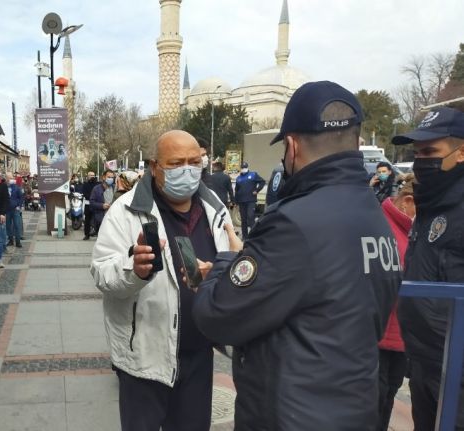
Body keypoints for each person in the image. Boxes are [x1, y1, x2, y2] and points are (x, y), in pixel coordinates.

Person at [193, 81, 401, 430]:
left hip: (292, 413)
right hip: (353, 406)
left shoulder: (293, 221)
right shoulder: (375, 214)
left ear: (291, 146)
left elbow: (218, 314)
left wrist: (225, 264)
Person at [91, 130, 231, 431]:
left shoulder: (215, 208)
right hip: (145, 360)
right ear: (155, 167)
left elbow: (232, 262)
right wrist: (134, 270)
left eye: (195, 162)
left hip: (199, 355)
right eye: (176, 163)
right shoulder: (125, 211)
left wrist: (226, 271)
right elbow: (101, 272)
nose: (188, 170)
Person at [391, 106, 464, 430]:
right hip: (425, 362)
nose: (422, 160)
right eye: (418, 152)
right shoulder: (429, 202)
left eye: (431, 151)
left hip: (456, 372)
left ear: (461, 153)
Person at [377, 173, 415, 431]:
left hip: (400, 337)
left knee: (387, 397)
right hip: (378, 335)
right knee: (373, 401)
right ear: (407, 202)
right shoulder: (382, 225)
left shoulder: (412, 230)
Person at [234, 161, 265, 238]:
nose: (243, 169)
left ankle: (254, 234)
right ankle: (245, 236)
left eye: (245, 168)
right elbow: (236, 190)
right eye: (242, 168)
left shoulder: (253, 174)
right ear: (240, 169)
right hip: (241, 201)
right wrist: (235, 201)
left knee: (250, 216)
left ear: (247, 168)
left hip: (251, 200)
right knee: (243, 220)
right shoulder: (238, 178)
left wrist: (257, 190)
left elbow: (262, 182)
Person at [6, 171, 24, 248]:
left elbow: (21, 197)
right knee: (8, 226)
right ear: (6, 178)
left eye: (11, 178)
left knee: (17, 225)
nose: (10, 179)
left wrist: (19, 206)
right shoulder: (4, 187)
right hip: (7, 210)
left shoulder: (17, 187)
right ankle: (10, 240)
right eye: (8, 178)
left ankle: (18, 241)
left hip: (15, 209)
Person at [82, 171, 98, 240]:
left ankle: (97, 233)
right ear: (88, 176)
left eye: (93, 175)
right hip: (88, 204)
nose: (92, 176)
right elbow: (85, 194)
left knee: (98, 220)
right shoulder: (85, 184)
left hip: (96, 204)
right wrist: (92, 198)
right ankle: (87, 234)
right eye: (90, 175)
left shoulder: (97, 184)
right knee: (87, 221)